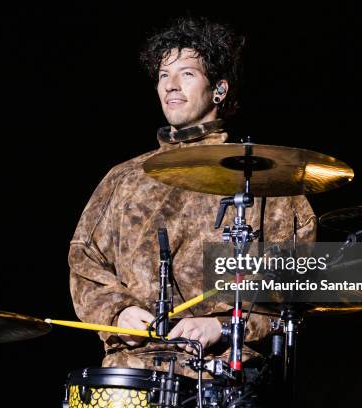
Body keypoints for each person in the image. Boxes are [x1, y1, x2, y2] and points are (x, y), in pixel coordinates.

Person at [69, 16, 316, 380]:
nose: (170, 85)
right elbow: (84, 260)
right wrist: (118, 312)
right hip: (133, 370)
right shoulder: (124, 178)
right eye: (163, 75)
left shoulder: (263, 178)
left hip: (222, 374)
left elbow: (297, 281)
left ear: (219, 89)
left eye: (186, 74)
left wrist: (221, 327)